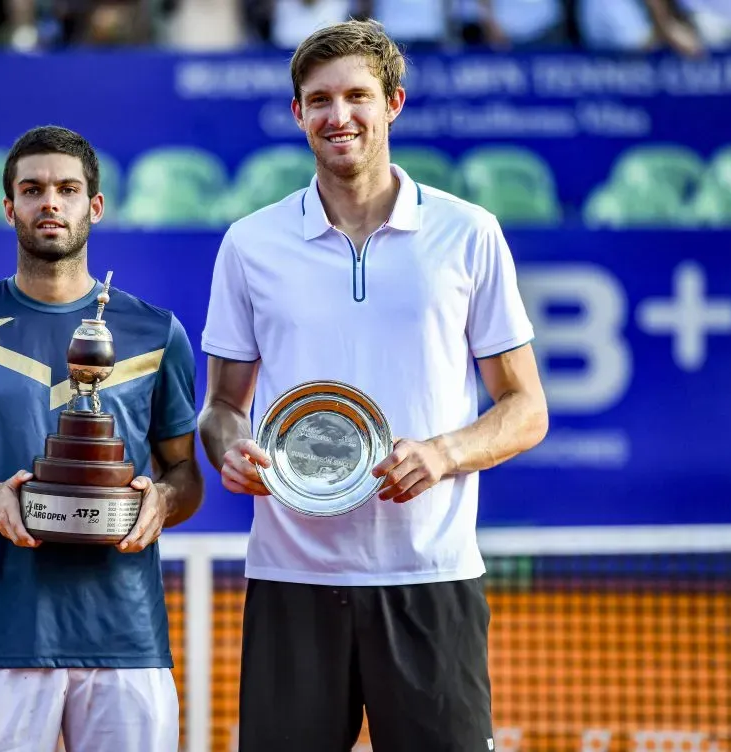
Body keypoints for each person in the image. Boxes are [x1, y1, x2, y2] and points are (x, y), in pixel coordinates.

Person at [198, 19, 549, 752]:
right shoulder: (250, 244)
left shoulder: (469, 232)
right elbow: (223, 409)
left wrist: (445, 454)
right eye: (319, 100)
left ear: (394, 103)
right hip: (292, 578)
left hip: (432, 576)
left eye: (358, 95)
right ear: (298, 114)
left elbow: (525, 408)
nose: (339, 116)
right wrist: (229, 451)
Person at [0, 125, 203, 752]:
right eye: (32, 191)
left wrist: (162, 502)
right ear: (10, 208)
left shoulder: (156, 332)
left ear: (95, 206)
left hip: (125, 633)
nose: (49, 204)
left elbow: (185, 474)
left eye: (66, 189)